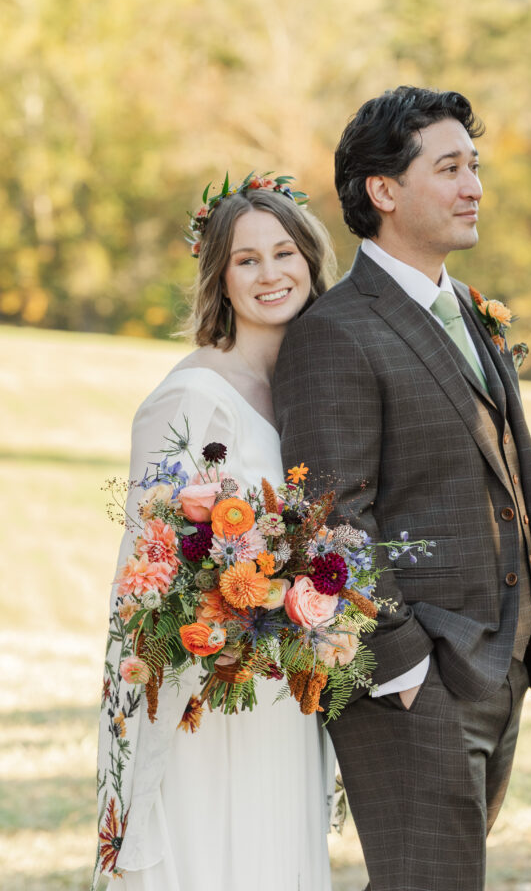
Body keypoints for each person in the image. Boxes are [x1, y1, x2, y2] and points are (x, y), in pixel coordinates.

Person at [273, 86, 531, 891]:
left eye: (473, 167)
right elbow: (328, 524)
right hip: (410, 678)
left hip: (494, 662)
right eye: (450, 168)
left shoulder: (466, 309)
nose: (473, 186)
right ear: (384, 190)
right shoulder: (334, 333)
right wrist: (401, 669)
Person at [92, 173, 336, 891]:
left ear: (311, 262)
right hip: (207, 691)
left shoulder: (310, 387)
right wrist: (227, 608)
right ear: (219, 278)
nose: (270, 274)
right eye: (246, 259)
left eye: (284, 253)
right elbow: (149, 566)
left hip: (283, 692)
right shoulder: (190, 395)